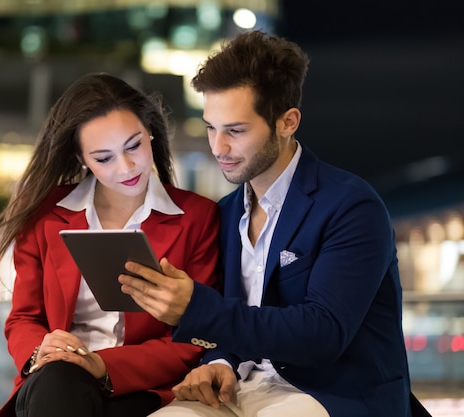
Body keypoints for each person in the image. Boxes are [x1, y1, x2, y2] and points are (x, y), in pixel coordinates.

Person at [119, 30, 426, 417]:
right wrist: (219, 362)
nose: (218, 147)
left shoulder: (351, 205)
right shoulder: (229, 210)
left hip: (334, 393)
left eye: (235, 130)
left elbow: (322, 334)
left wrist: (195, 307)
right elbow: (239, 318)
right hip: (239, 389)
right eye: (211, 127)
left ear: (287, 122)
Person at [0, 73, 220, 417]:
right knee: (60, 383)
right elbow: (24, 317)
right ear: (81, 158)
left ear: (150, 133)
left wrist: (101, 364)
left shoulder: (198, 217)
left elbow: (194, 337)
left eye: (133, 146)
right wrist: (42, 350)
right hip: (57, 379)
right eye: (103, 158)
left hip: (142, 385)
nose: (126, 167)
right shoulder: (45, 215)